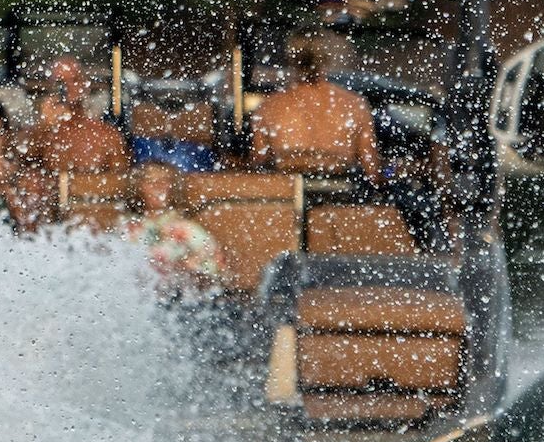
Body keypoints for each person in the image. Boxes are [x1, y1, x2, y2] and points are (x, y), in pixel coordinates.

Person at [248, 33, 383, 183]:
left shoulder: (268, 107)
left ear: (291, 59)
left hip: (290, 196)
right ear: (326, 58)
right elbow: (372, 172)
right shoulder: (355, 105)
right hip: (339, 195)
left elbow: (258, 166)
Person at [123, 163, 222, 295]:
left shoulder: (188, 229)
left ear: (173, 187)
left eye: (164, 180)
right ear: (138, 187)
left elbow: (214, 268)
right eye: (150, 181)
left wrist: (181, 270)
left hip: (180, 297)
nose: (158, 186)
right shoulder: (128, 227)